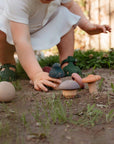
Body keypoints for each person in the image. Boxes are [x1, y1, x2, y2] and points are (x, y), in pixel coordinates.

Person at [0, 0, 111, 92]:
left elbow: (71, 5)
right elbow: (21, 40)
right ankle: (8, 64)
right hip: (13, 26)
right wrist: (36, 74)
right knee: (1, 31)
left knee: (65, 13)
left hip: (42, 23)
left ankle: (67, 61)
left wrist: (87, 26)